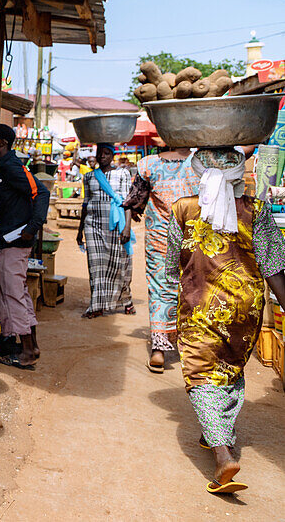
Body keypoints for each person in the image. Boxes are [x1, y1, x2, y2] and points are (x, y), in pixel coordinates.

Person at [165, 148, 285, 494]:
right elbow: (274, 265)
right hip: (245, 308)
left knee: (202, 374)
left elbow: (174, 261)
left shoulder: (184, 209)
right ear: (240, 174)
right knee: (230, 368)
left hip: (200, 305)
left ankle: (222, 455)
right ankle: (217, 430)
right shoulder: (256, 210)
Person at [122, 145, 198, 372]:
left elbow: (135, 200)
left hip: (160, 240)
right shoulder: (202, 162)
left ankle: (159, 350)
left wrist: (135, 212)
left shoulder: (149, 164)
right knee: (192, 289)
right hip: (194, 238)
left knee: (159, 290)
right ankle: (192, 348)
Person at [0, 123, 50, 369]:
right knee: (12, 295)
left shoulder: (10, 166)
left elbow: (41, 193)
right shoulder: (4, 165)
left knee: (11, 296)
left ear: (1, 142)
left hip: (15, 240)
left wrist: (33, 227)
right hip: (8, 239)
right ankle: (31, 346)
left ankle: (28, 351)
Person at [77, 143, 134, 318]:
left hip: (116, 225)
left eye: (106, 153)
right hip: (92, 225)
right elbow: (85, 203)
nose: (102, 156)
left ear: (112, 155)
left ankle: (125, 299)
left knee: (118, 264)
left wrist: (127, 227)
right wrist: (80, 231)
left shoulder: (122, 174)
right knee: (96, 266)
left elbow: (127, 202)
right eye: (99, 153)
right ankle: (97, 305)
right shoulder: (89, 177)